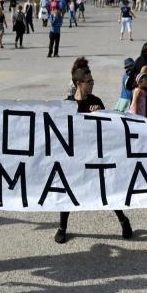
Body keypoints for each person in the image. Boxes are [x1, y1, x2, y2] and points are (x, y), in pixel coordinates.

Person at [54, 68, 132, 244]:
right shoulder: (68, 105)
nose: (92, 84)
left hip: (95, 156)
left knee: (106, 189)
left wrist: (100, 114)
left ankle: (123, 220)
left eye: (92, 81)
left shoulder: (96, 101)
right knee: (68, 191)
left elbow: (108, 128)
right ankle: (62, 227)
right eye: (89, 82)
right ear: (78, 83)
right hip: (74, 157)